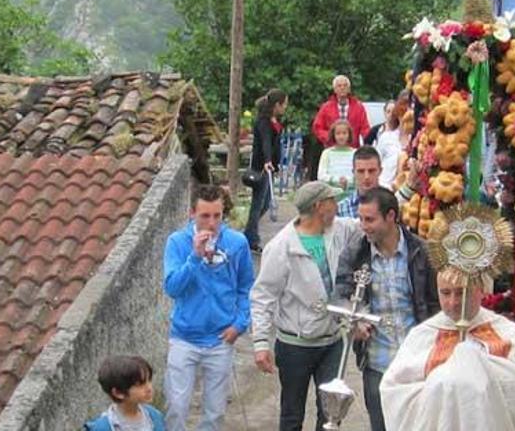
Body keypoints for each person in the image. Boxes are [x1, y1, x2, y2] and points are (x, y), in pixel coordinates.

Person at [250, 181, 362, 431]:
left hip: (332, 342)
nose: (337, 206)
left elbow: (369, 221)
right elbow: (263, 295)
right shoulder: (281, 247)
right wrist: (260, 344)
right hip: (295, 345)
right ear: (319, 206)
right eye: (333, 201)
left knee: (331, 413)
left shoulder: (339, 230)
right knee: (292, 414)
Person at [379, 269, 515, 431]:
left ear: (480, 290)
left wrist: (476, 366)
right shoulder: (422, 335)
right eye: (445, 293)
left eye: (461, 292)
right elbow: (393, 388)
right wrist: (440, 389)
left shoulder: (506, 331)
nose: (453, 302)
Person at [333, 187, 440, 431]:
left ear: (391, 216)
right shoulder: (355, 253)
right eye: (360, 219)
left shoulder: (421, 251)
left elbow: (435, 305)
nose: (363, 225)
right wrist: (354, 322)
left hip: (418, 361)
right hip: (377, 364)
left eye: (369, 219)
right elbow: (340, 297)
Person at [162, 184, 254, 431]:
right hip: (184, 337)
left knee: (214, 414)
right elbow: (172, 288)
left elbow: (246, 287)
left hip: (220, 338)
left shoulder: (237, 243)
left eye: (217, 216)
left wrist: (240, 323)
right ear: (192, 213)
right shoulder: (177, 242)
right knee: (176, 408)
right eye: (205, 216)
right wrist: (194, 257)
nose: (212, 223)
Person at [244, 88, 288, 252]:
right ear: (277, 104)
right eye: (284, 104)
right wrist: (268, 160)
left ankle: (249, 233)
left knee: (266, 203)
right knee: (258, 203)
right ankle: (251, 238)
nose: (285, 108)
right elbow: (265, 142)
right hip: (261, 167)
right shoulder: (263, 122)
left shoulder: (274, 121)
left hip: (269, 167)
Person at [336, 146, 420, 219]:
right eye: (361, 171)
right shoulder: (340, 209)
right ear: (353, 172)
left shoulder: (392, 200)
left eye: (371, 171)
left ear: (380, 171)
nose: (366, 176)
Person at [84, 355, 165, 431]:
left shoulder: (154, 416)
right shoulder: (102, 427)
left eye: (149, 380)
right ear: (118, 393)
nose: (149, 388)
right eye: (140, 385)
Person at [312, 74, 370, 148]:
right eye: (339, 86)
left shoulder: (359, 107)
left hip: (352, 149)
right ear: (334, 89)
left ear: (349, 89)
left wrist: (367, 142)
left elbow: (365, 128)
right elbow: (317, 127)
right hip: (332, 148)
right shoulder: (326, 107)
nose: (342, 88)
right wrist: (330, 137)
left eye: (345, 85)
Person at [375, 95, 409, 189]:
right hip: (385, 188)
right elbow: (376, 163)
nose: (406, 117)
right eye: (402, 113)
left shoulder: (418, 140)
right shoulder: (385, 137)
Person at [317, 119, 357, 194]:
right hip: (330, 193)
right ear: (333, 135)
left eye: (344, 133)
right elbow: (321, 175)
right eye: (338, 133)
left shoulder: (355, 153)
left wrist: (347, 181)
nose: (341, 136)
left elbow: (358, 174)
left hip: (350, 192)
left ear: (349, 134)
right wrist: (336, 180)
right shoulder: (327, 153)